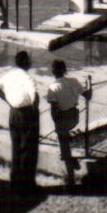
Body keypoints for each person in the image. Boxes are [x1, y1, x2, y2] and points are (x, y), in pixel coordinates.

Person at [0, 50, 41, 194]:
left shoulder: (10, 75)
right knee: (28, 149)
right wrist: (33, 111)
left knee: (16, 147)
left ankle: (15, 181)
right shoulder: (28, 78)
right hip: (27, 113)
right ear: (26, 62)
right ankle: (27, 184)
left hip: (13, 113)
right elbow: (34, 98)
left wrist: (8, 100)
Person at [44, 59, 91, 189]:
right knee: (64, 143)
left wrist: (57, 126)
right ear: (64, 70)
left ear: (53, 71)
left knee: (64, 147)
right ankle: (72, 161)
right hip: (74, 116)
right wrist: (89, 86)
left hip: (62, 118)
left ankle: (71, 177)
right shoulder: (73, 81)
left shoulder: (52, 87)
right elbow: (88, 96)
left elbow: (53, 110)